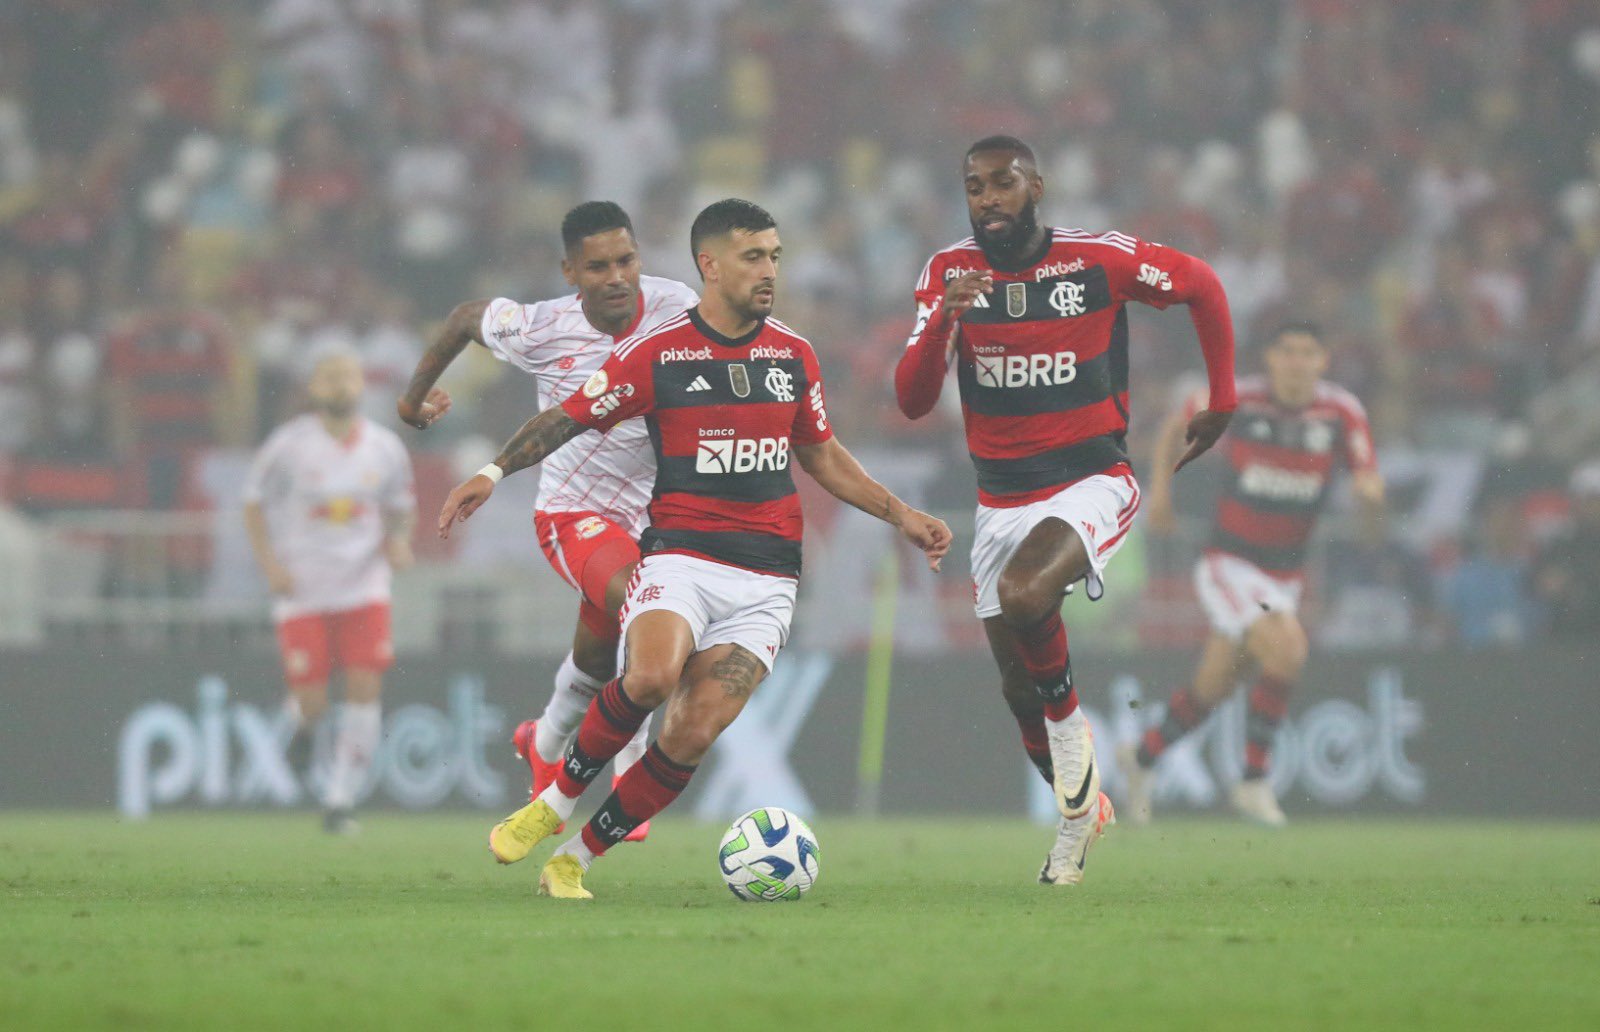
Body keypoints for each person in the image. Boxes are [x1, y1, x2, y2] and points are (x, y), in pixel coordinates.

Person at [437, 199, 951, 899]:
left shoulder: (793, 355)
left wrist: (903, 514)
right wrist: (493, 471)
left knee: (692, 731)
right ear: (709, 265)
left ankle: (578, 860)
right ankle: (552, 805)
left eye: (774, 255)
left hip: (768, 578)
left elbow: (823, 456)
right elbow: (567, 416)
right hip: (681, 558)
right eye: (752, 257)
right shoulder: (659, 353)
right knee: (648, 677)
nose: (769, 270)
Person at [895, 135, 1237, 884]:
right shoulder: (948, 273)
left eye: (1003, 183)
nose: (987, 199)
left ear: (1037, 187)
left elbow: (1202, 285)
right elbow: (914, 401)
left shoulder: (1096, 260)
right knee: (1018, 686)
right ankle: (1080, 815)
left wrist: (1224, 397)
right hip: (1000, 501)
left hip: (1091, 480)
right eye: (973, 186)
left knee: (1025, 596)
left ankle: (1074, 737)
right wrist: (945, 325)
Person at [397, 201, 697, 842]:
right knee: (643, 607)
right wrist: (412, 397)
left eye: (626, 260)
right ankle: (627, 769)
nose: (617, 277)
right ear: (570, 271)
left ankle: (544, 741)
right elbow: (463, 319)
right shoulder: (539, 327)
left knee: (596, 662)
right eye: (598, 266)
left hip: (654, 519)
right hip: (573, 513)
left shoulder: (678, 307)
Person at [1125, 322, 1383, 826]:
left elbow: (1367, 482)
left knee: (1213, 687)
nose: (1296, 362)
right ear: (1269, 359)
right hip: (1231, 562)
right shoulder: (1239, 400)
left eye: (1307, 353)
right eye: (1286, 352)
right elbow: (1176, 428)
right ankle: (1253, 779)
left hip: (1286, 575)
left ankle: (1141, 759)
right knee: (1289, 649)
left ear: (1322, 361)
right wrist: (1160, 490)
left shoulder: (1342, 412)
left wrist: (1371, 500)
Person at [243, 351, 416, 834]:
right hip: (302, 591)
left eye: (348, 377)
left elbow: (401, 507)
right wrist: (271, 566)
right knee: (314, 701)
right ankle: (302, 725)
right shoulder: (289, 445)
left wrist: (399, 542)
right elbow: (252, 504)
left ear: (361, 385)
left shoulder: (384, 448)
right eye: (329, 378)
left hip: (364, 588)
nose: (340, 385)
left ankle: (340, 800)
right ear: (314, 389)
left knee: (364, 690)